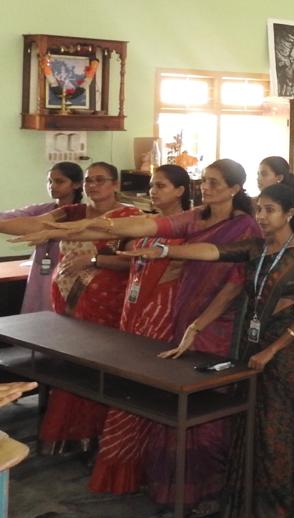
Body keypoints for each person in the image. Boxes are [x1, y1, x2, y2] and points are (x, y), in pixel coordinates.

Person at [29, 158, 263, 504]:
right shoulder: (196, 216)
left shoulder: (244, 226)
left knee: (207, 400)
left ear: (235, 189)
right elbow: (141, 226)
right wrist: (62, 231)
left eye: (215, 182)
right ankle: (172, 482)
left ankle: (209, 484)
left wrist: (198, 320)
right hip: (183, 311)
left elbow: (235, 282)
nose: (207, 188)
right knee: (173, 397)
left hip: (219, 321)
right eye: (205, 181)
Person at [123, 183, 294, 518]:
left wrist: (273, 349)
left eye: (270, 210)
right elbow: (213, 252)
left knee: (274, 429)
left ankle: (274, 512)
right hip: (251, 346)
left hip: (285, 355)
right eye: (259, 209)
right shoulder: (256, 248)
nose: (261, 217)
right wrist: (166, 251)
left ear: (289, 214)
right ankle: (241, 508)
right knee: (246, 424)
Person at [0, 162, 142, 454]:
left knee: (98, 369)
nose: (93, 185)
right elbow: (37, 223)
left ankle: (101, 438)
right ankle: (74, 436)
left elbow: (136, 261)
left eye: (100, 180)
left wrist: (94, 261)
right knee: (69, 368)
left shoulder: (130, 217)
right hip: (67, 303)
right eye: (89, 180)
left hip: (107, 304)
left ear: (115, 184)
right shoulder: (72, 212)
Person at [88, 165, 193, 496]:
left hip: (161, 310)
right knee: (125, 382)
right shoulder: (144, 223)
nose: (153, 191)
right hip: (132, 308)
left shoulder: (190, 228)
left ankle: (148, 466)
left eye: (161, 186)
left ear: (180, 191)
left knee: (147, 386)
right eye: (151, 186)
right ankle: (121, 462)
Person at [1, 162, 82, 314]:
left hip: (68, 272)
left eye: (59, 181)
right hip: (41, 271)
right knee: (36, 312)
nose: (52, 186)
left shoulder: (83, 213)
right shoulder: (43, 210)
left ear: (76, 184)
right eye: (49, 181)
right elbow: (12, 216)